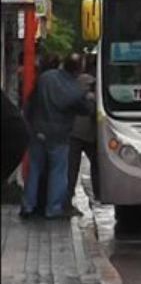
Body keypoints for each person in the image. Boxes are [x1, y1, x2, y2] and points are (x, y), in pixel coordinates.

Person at [20, 53, 94, 220]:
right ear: (79, 70)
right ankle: (53, 208)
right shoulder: (76, 90)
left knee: (34, 169)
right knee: (58, 172)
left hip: (38, 131)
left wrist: (30, 124)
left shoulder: (46, 78)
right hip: (59, 136)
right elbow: (86, 110)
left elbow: (31, 100)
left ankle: (28, 205)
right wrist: (89, 98)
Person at [67, 53, 99, 212]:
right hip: (90, 134)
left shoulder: (72, 82)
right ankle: (99, 193)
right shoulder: (94, 84)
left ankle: (67, 200)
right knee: (97, 164)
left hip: (73, 132)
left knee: (71, 168)